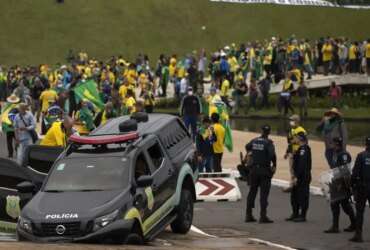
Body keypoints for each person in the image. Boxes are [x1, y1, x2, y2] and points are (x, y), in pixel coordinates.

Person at [323, 137, 356, 234]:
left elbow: (345, 171)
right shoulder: (335, 153)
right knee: (336, 204)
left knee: (344, 205)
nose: (331, 145)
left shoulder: (344, 154)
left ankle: (353, 223)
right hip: (335, 182)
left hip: (341, 184)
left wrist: (342, 184)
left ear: (337, 144)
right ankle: (336, 226)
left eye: (332, 143)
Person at [245, 125, 277, 223]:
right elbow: (272, 154)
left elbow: (247, 146)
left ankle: (248, 215)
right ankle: (263, 216)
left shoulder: (254, 140)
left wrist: (251, 153)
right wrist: (274, 164)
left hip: (254, 170)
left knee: (252, 192)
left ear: (261, 131)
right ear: (269, 132)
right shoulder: (269, 143)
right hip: (264, 170)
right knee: (264, 194)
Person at [286, 132, 311, 222]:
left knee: (303, 195)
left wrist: (297, 176)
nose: (293, 139)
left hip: (303, 176)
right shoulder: (300, 149)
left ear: (299, 138)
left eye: (295, 138)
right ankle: (295, 213)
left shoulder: (304, 149)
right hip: (298, 176)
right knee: (294, 195)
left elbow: (302, 165)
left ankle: (302, 215)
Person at [349, 137, 370, 243]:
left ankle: (358, 235)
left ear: (366, 144)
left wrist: (351, 185)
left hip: (362, 187)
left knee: (360, 211)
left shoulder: (361, 156)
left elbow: (355, 173)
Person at [284, 115, 307, 192]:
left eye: (292, 120)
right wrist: (287, 152)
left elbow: (301, 141)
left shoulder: (301, 130)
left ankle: (298, 185)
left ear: (297, 121)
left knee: (299, 169)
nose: (291, 122)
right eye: (290, 120)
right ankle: (292, 185)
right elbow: (290, 143)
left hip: (299, 153)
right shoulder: (291, 131)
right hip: (292, 153)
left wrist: (293, 140)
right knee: (292, 170)